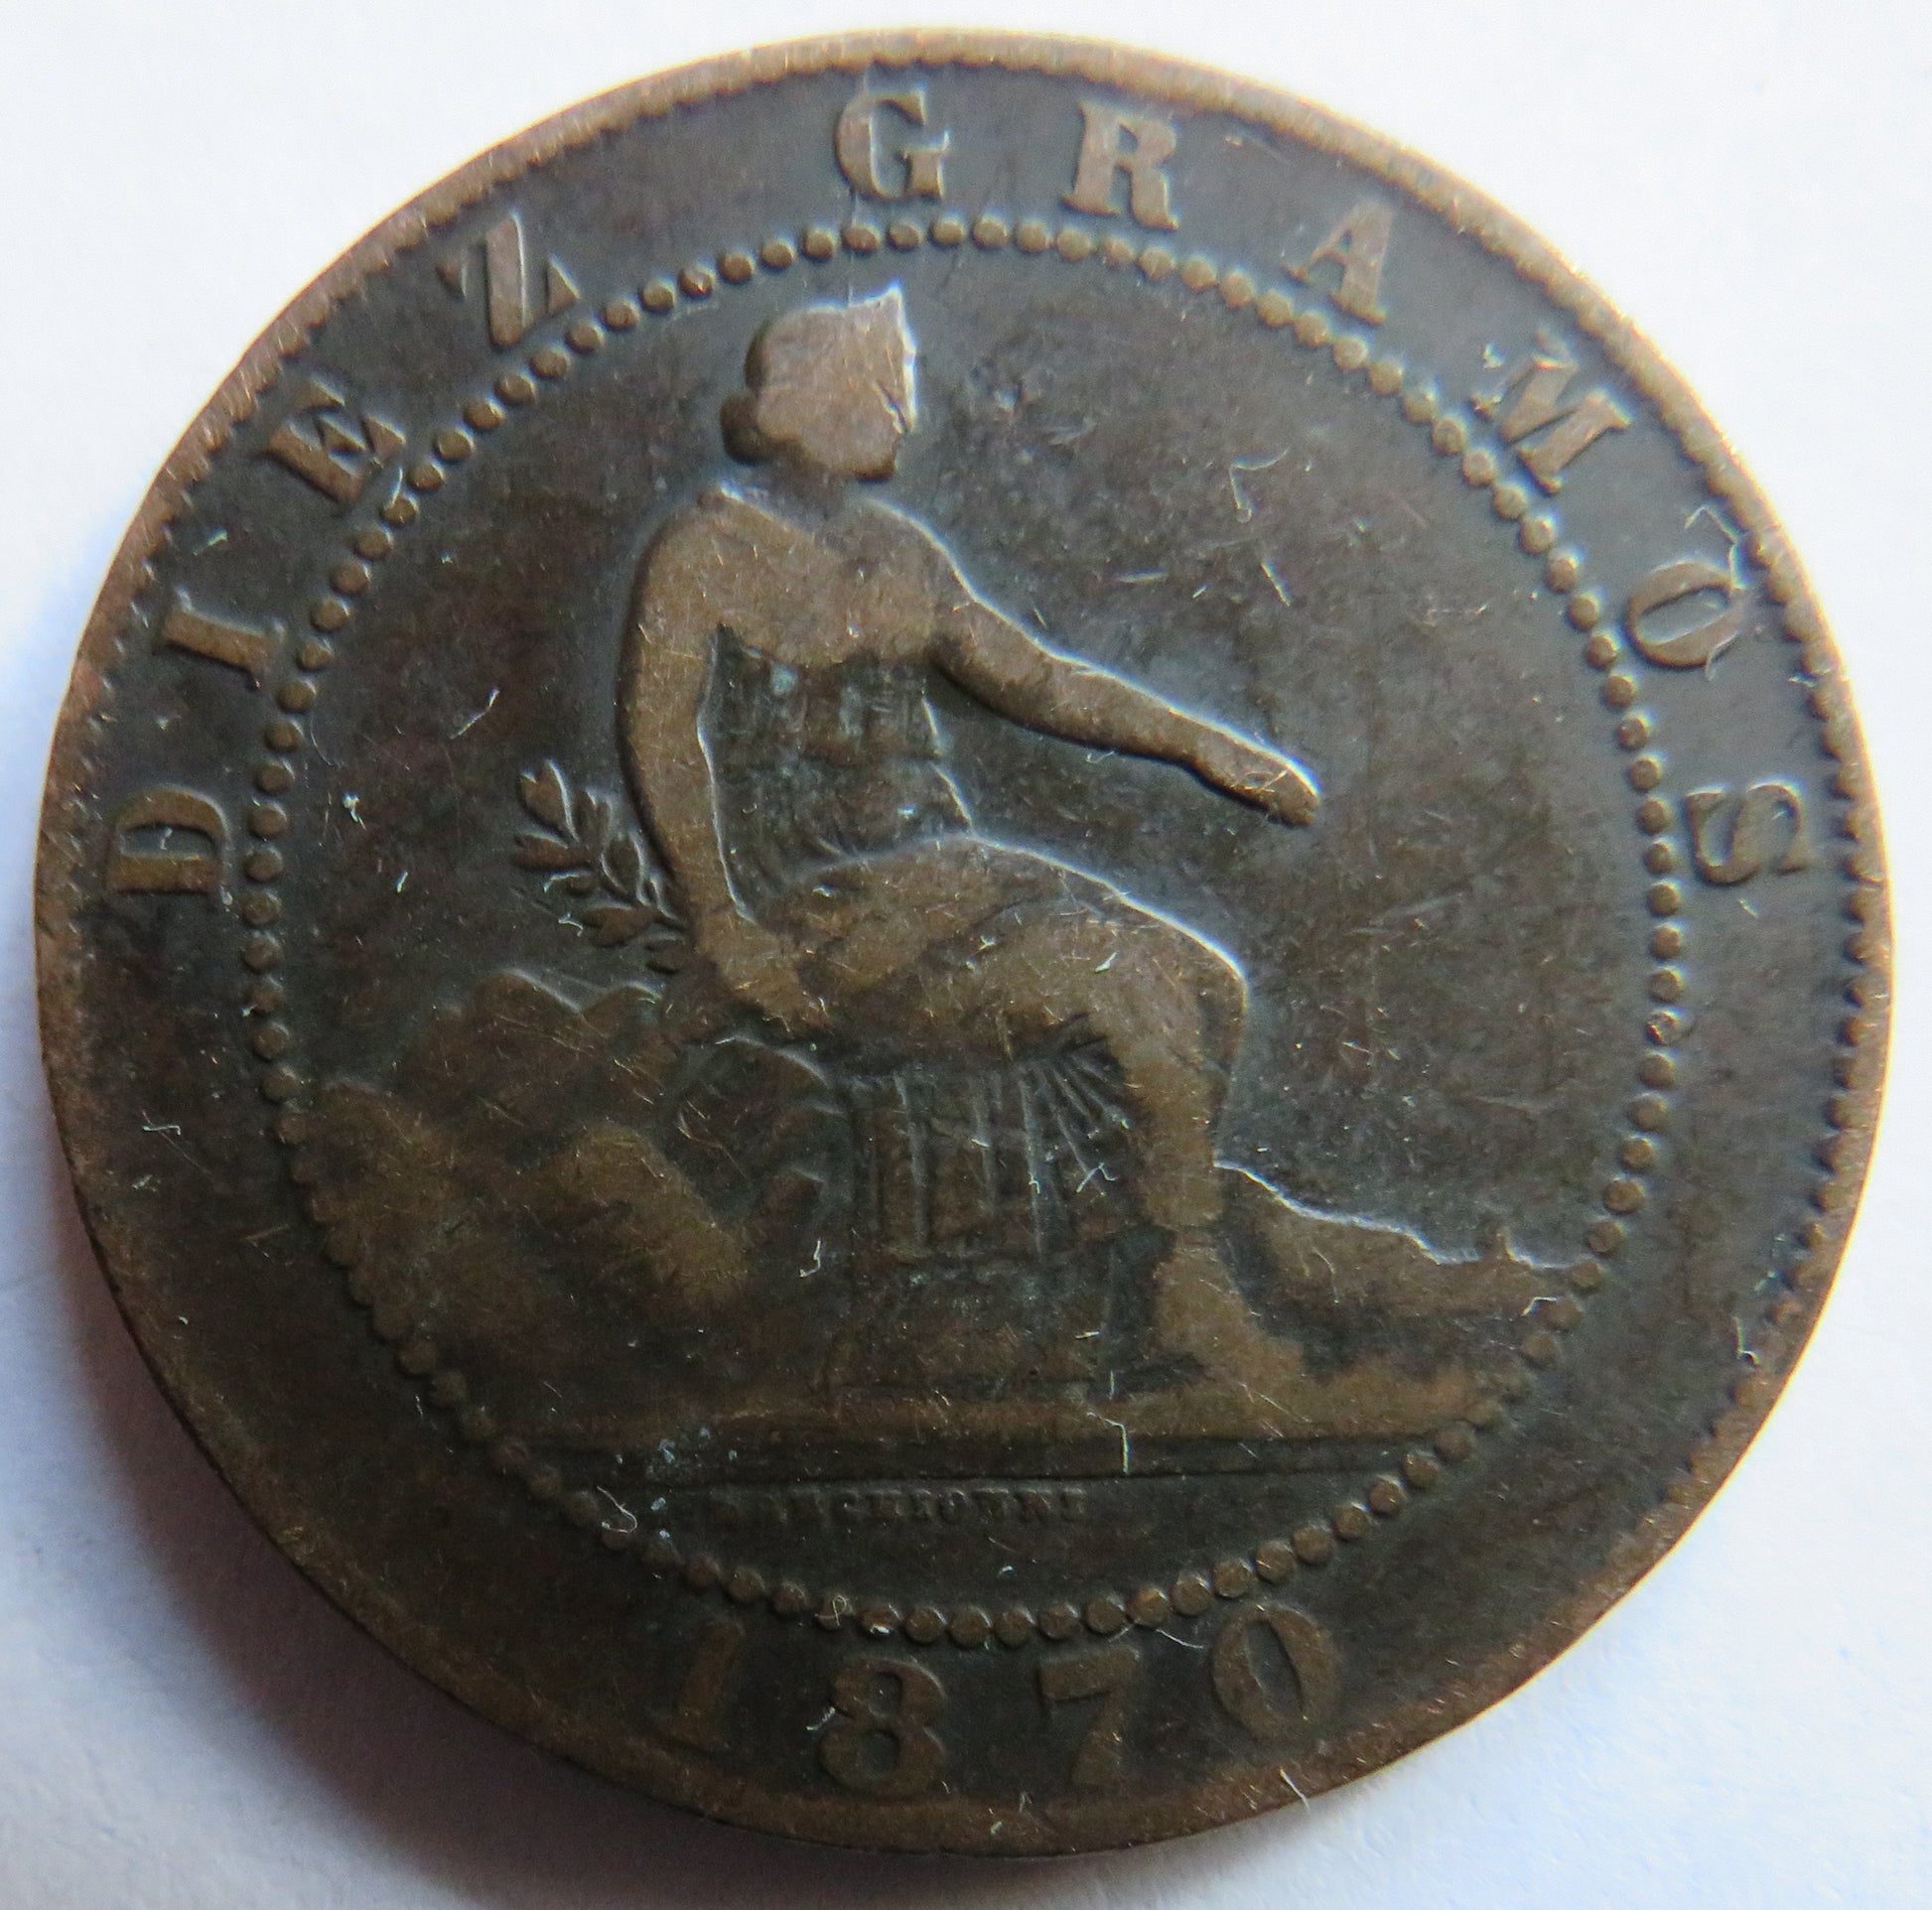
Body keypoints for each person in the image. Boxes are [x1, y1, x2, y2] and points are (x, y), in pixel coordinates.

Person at [621, 287, 1321, 1387]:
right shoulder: (704, 550)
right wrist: (722, 925)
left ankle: (1100, 1277)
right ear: (814, 401)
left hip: (944, 876)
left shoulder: (901, 553)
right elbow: (663, 735)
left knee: (1209, 984)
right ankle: (1181, 1285)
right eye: (883, 388)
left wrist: (1199, 744)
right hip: (824, 897)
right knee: (1117, 982)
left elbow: (1036, 680)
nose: (904, 413)